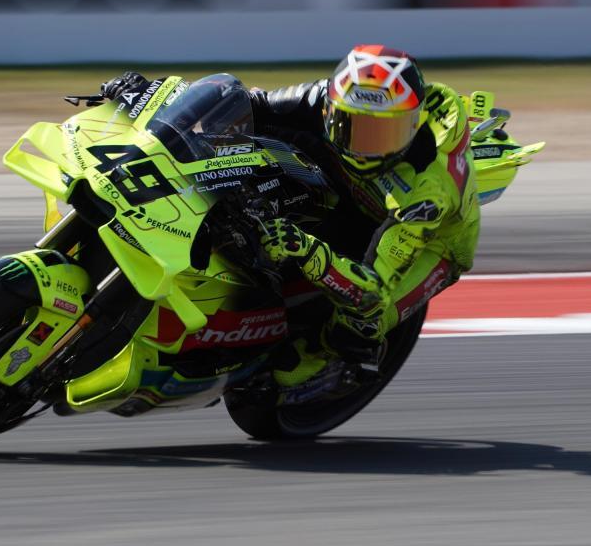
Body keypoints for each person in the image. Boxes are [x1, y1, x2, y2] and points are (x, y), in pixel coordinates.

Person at [101, 45, 479, 397]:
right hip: (344, 183)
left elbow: (371, 290)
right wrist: (153, 102)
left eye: (382, 135)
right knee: (242, 132)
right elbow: (244, 103)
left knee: (363, 320)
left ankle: (331, 360)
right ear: (332, 106)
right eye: (351, 126)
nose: (363, 145)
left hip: (427, 238)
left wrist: (307, 249)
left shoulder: (429, 194)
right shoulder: (322, 101)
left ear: (411, 128)